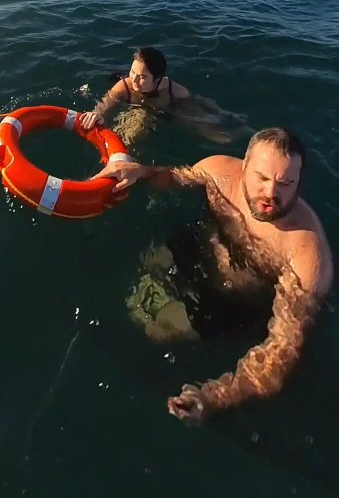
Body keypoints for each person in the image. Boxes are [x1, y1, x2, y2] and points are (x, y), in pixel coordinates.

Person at [95, 128, 333, 425]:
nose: (271, 193)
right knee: (128, 296)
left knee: (153, 331)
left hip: (230, 300)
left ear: (300, 183)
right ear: (244, 165)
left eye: (286, 183)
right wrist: (141, 172)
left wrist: (212, 398)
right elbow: (173, 177)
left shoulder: (306, 255)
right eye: (261, 178)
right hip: (196, 249)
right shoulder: (219, 172)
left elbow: (279, 357)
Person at [81, 46, 232, 143]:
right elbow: (105, 105)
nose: (134, 79)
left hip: (167, 109)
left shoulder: (176, 92)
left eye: (142, 77)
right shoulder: (124, 86)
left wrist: (210, 130)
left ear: (157, 79)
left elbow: (194, 114)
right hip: (138, 110)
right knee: (137, 125)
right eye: (132, 72)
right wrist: (97, 113)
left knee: (215, 124)